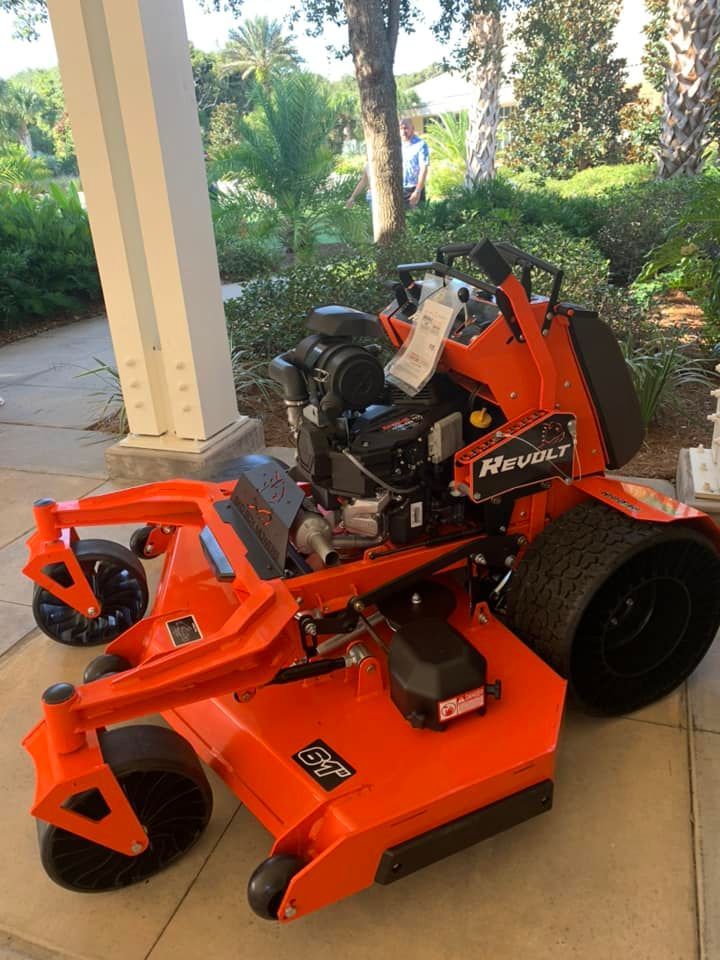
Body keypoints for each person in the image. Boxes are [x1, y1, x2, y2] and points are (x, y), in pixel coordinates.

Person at [346, 118, 430, 210]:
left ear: (412, 128)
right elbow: (365, 180)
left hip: (414, 188)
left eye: (406, 128)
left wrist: (417, 191)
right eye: (401, 128)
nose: (403, 131)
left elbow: (423, 169)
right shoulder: (395, 145)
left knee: (417, 219)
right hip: (399, 189)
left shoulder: (421, 145)